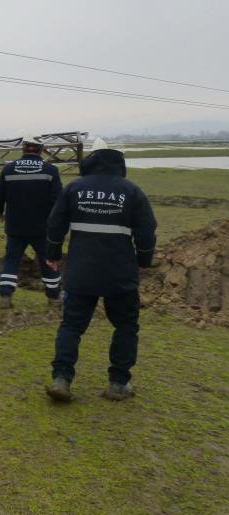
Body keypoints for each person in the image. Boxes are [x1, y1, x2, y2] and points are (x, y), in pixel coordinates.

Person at [44, 137, 157, 402]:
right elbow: (146, 231)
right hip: (120, 274)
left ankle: (61, 380)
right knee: (126, 326)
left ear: (91, 160)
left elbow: (55, 225)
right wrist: (144, 260)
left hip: (81, 272)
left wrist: (52, 255)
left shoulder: (74, 188)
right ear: (118, 161)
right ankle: (118, 384)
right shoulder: (131, 191)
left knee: (71, 326)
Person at [0, 135, 63, 309]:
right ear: (41, 149)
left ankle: (5, 297)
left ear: (23, 149)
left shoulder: (8, 169)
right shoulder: (50, 170)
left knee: (11, 260)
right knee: (48, 260)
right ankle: (54, 298)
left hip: (16, 226)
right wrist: (58, 223)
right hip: (42, 227)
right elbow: (58, 200)